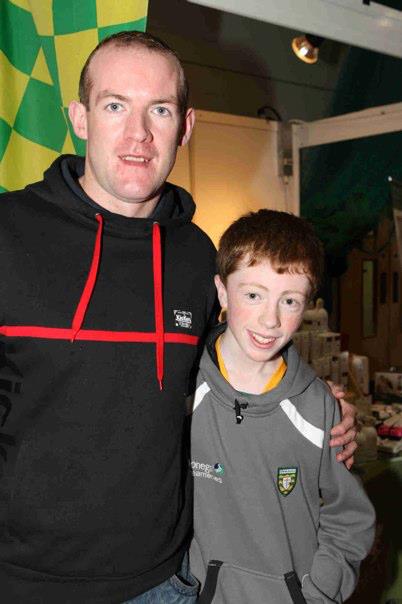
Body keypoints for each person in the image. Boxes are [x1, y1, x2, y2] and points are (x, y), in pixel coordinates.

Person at [0, 31, 357, 603]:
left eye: (159, 110)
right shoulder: (9, 232)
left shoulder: (196, 254)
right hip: (23, 582)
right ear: (80, 119)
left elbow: (238, 362)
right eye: (115, 106)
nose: (138, 134)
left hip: (165, 582)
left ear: (185, 126)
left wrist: (318, 406)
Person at [189, 210, 375, 604]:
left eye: (289, 301)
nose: (270, 319)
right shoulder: (184, 387)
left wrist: (319, 592)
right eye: (253, 295)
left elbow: (349, 517)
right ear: (222, 291)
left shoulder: (317, 408)